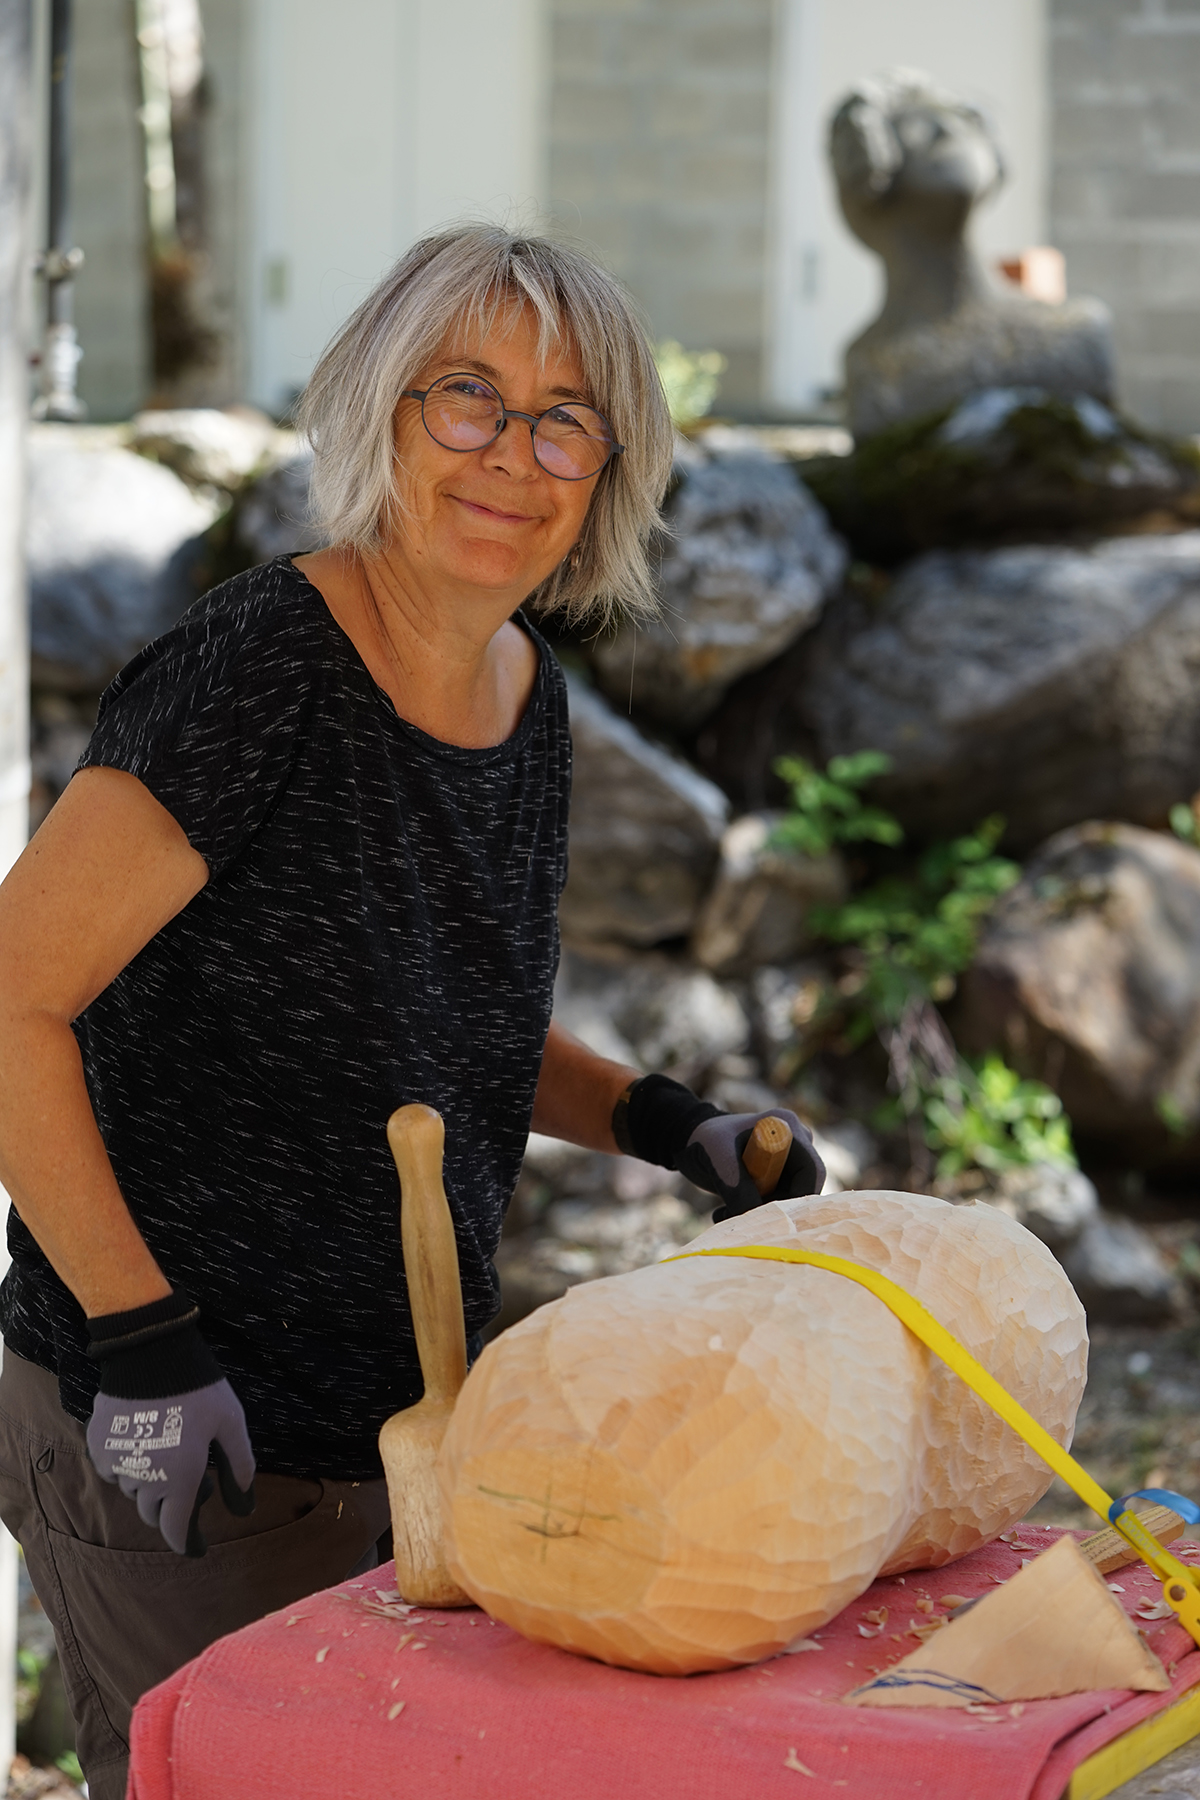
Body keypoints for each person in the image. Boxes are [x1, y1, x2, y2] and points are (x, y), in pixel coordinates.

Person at [0, 226, 823, 1799]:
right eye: (468, 396)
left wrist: (670, 1124)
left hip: (408, 1437)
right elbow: (10, 1001)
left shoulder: (526, 689)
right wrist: (140, 1342)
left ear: (610, 469)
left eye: (567, 418)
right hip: (178, 1425)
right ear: (382, 410)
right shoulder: (260, 667)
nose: (514, 453)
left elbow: (444, 1029)